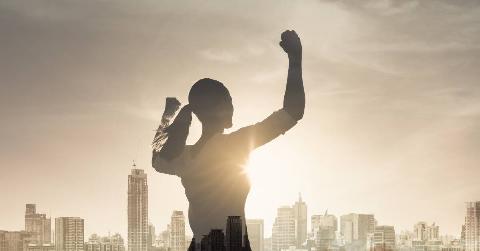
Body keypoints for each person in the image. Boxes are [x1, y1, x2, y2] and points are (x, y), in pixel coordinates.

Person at [152, 30, 304, 251]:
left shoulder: (182, 158)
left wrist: (170, 116)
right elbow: (293, 112)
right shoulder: (235, 146)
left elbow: (156, 156)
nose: (233, 107)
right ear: (221, 108)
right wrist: (295, 59)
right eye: (229, 102)